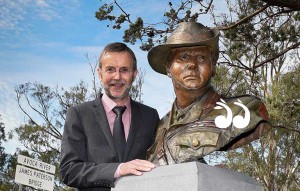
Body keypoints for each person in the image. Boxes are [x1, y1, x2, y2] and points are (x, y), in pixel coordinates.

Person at [147, 22, 271, 166]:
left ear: (213, 67)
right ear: (168, 68)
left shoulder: (242, 109)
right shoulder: (158, 126)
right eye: (183, 57)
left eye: (201, 57)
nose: (192, 64)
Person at [60, 42, 159, 190]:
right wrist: (118, 170)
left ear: (135, 74)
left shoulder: (150, 116)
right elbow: (69, 170)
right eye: (110, 70)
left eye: (124, 70)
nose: (117, 77)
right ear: (100, 73)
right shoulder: (79, 114)